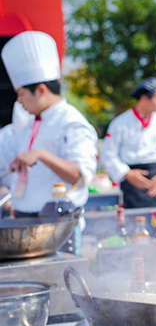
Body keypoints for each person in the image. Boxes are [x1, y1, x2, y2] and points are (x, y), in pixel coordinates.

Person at [0, 31, 98, 217]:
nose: (18, 101)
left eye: (21, 94)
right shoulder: (31, 125)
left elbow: (79, 176)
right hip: (24, 216)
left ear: (41, 90)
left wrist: (41, 155)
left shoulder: (72, 123)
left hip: (57, 222)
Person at [100, 77, 156, 208]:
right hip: (132, 186)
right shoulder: (119, 124)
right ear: (144, 98)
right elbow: (108, 154)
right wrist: (127, 173)